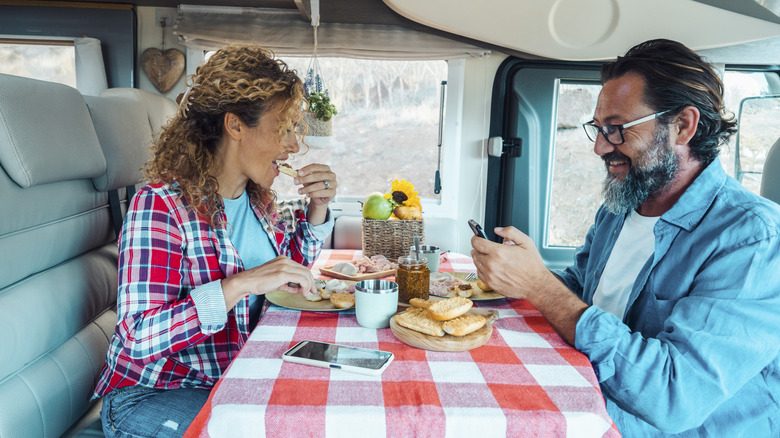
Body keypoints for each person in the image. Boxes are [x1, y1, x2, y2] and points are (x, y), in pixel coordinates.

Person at [471, 39, 780, 436]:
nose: (601, 147)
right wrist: (512, 280)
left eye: (616, 130)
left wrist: (540, 285)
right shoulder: (621, 207)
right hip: (594, 399)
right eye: (597, 130)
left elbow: (673, 396)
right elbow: (582, 292)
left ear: (683, 125)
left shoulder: (753, 241)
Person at [92, 45, 337, 437]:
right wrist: (240, 284)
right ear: (236, 126)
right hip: (155, 394)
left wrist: (318, 210)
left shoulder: (257, 200)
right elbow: (137, 336)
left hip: (231, 375)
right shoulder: (159, 206)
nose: (294, 145)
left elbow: (287, 273)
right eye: (284, 128)